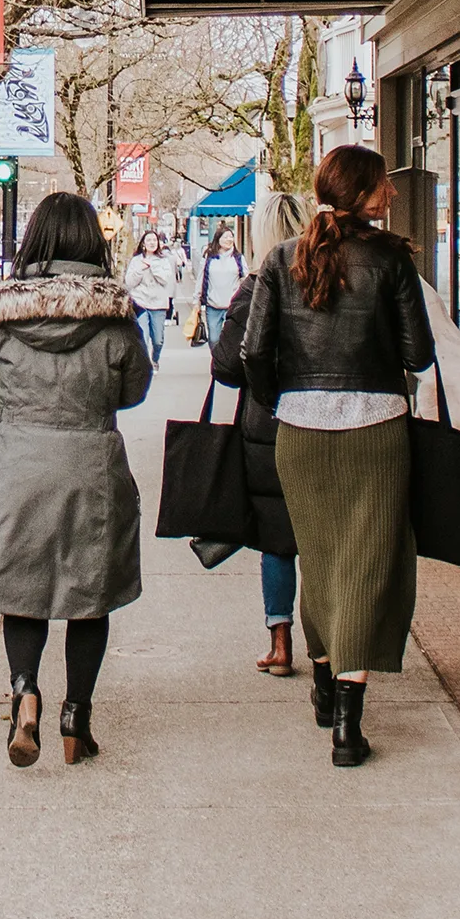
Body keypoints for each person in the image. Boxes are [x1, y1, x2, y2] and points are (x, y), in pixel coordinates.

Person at [241, 145, 435, 767]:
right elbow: (419, 355)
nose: (394, 194)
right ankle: (348, 722)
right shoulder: (390, 260)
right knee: (369, 562)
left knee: (321, 556)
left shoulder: (280, 259)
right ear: (363, 192)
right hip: (376, 430)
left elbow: (252, 353)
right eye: (385, 185)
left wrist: (282, 403)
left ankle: (324, 677)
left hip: (299, 430)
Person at [0, 192, 154, 766]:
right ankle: (77, 717)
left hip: (17, 466)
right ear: (93, 242)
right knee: (90, 595)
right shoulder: (115, 317)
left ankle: (25, 694)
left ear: (33, 241)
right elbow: (135, 390)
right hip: (91, 468)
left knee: (24, 591)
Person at [207, 195, 310, 676]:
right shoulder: (330, 279)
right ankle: (327, 644)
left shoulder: (254, 287)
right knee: (323, 534)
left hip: (266, 426)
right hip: (325, 419)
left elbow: (227, 365)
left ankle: (281, 640)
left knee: (276, 537)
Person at [123, 227, 184, 364]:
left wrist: (152, 267)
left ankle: (155, 359)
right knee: (143, 337)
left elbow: (165, 280)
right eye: (148, 240)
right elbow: (129, 282)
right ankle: (144, 364)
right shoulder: (136, 260)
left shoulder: (164, 260)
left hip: (158, 304)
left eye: (154, 240)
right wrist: (140, 269)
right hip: (140, 303)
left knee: (158, 340)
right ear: (143, 244)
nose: (152, 242)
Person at [197, 223, 248, 327]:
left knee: (230, 339)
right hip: (212, 305)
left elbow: (246, 279)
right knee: (214, 339)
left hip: (233, 306)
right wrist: (196, 300)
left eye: (231, 237)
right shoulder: (209, 257)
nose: (229, 239)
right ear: (218, 239)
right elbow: (200, 279)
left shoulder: (238, 258)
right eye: (225, 237)